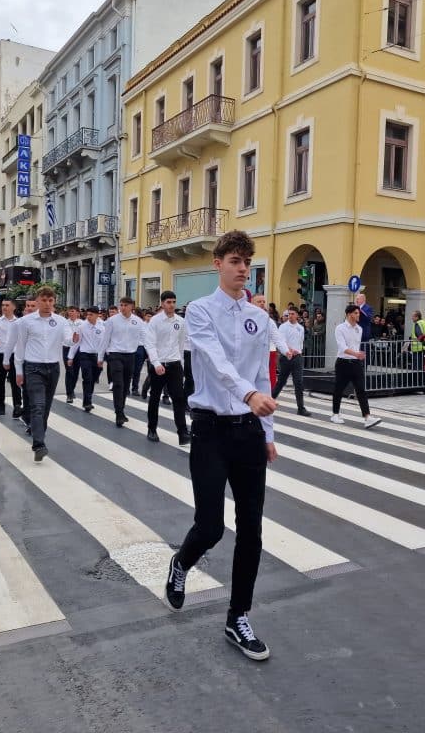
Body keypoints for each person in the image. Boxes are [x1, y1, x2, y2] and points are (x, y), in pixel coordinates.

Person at [164, 230, 277, 661]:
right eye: (234, 260)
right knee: (211, 525)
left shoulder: (259, 317)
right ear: (218, 264)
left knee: (252, 529)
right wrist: (248, 394)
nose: (242, 268)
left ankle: (238, 616)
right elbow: (213, 358)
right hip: (210, 430)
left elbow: (263, 374)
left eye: (247, 260)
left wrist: (268, 433)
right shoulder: (200, 312)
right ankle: (181, 563)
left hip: (249, 432)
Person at [14, 286, 72, 462]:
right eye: (44, 300)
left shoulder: (61, 321)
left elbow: (67, 338)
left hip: (53, 368)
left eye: (50, 300)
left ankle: (39, 435)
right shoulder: (26, 322)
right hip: (33, 368)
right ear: (37, 301)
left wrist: (74, 338)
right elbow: (20, 346)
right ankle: (39, 444)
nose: (47, 304)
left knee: (45, 408)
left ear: (54, 302)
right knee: (37, 406)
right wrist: (19, 371)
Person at [142, 290, 191, 444]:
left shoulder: (180, 321)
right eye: (168, 302)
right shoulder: (155, 321)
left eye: (173, 302)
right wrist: (156, 363)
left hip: (175, 364)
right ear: (162, 303)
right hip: (159, 365)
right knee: (155, 398)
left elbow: (181, 344)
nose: (171, 305)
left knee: (178, 399)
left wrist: (181, 364)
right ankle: (152, 429)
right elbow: (150, 344)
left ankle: (182, 433)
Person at [331, 304, 382, 428]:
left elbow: (355, 346)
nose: (358, 315)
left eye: (358, 313)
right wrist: (357, 354)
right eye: (356, 313)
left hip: (356, 363)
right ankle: (335, 414)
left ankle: (367, 417)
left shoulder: (359, 329)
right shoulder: (340, 328)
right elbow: (342, 348)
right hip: (343, 362)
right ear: (349, 314)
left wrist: (358, 355)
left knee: (361, 390)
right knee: (339, 389)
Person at [98, 297, 142, 427]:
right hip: (115, 354)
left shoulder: (138, 321)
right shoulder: (112, 321)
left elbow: (145, 337)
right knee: (118, 383)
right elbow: (105, 339)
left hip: (130, 355)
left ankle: (121, 409)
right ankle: (118, 413)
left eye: (125, 305)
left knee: (126, 384)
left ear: (132, 306)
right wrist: (100, 357)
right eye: (121, 305)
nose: (122, 307)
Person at [4, 296, 38, 433]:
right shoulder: (18, 323)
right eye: (28, 306)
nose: (29, 308)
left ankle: (29, 416)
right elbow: (10, 343)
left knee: (34, 392)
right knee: (27, 390)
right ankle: (28, 418)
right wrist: (6, 360)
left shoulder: (45, 322)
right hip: (20, 360)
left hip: (37, 362)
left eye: (32, 306)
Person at [272, 308, 310, 415]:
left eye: (292, 314)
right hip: (286, 357)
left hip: (297, 357)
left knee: (298, 382)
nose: (290, 316)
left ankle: (301, 408)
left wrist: (299, 351)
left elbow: (301, 341)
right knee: (281, 382)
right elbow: (281, 341)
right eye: (289, 314)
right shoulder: (283, 327)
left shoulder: (300, 328)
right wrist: (289, 349)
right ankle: (270, 400)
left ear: (297, 315)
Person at [68, 305, 105, 412]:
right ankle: (87, 402)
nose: (88, 316)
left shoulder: (102, 326)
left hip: (97, 356)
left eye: (91, 314)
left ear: (97, 315)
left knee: (93, 379)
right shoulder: (82, 326)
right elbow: (76, 343)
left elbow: (105, 342)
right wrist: (70, 357)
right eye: (87, 314)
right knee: (87, 378)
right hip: (85, 355)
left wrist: (105, 356)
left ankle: (89, 397)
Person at [0, 298, 20, 416]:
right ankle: (1, 404)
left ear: (14, 307)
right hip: (0, 354)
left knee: (16, 381)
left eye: (7, 305)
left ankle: (17, 406)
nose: (4, 307)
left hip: (15, 355)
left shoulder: (19, 322)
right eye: (3, 305)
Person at [62, 306, 83, 403]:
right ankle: (69, 394)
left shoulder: (82, 323)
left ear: (78, 313)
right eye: (69, 311)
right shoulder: (64, 323)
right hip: (67, 348)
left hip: (78, 349)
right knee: (69, 371)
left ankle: (72, 389)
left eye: (73, 311)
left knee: (75, 371)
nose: (70, 313)